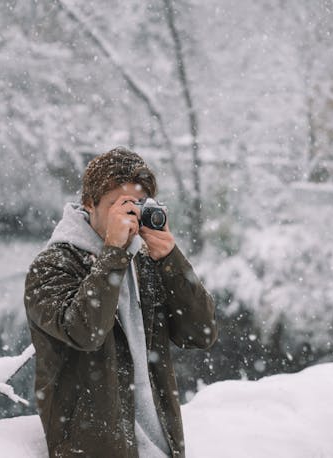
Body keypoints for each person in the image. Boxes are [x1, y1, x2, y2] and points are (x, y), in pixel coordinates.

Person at [24, 146, 217, 457]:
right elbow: (84, 332)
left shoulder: (146, 259)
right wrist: (113, 253)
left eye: (138, 205)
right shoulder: (52, 266)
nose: (130, 215)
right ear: (89, 203)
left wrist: (171, 259)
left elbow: (202, 332)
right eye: (120, 205)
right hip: (94, 449)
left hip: (161, 447)